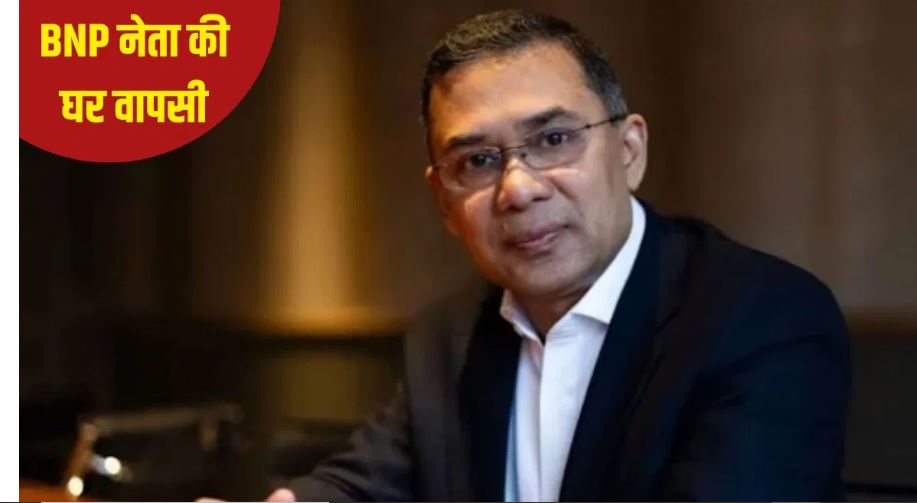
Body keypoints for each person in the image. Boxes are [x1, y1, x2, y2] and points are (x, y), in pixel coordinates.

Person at [244, 9, 850, 502]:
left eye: (554, 140)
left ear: (629, 151)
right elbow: (367, 483)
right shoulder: (450, 338)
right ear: (444, 202)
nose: (518, 189)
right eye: (478, 161)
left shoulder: (763, 320)